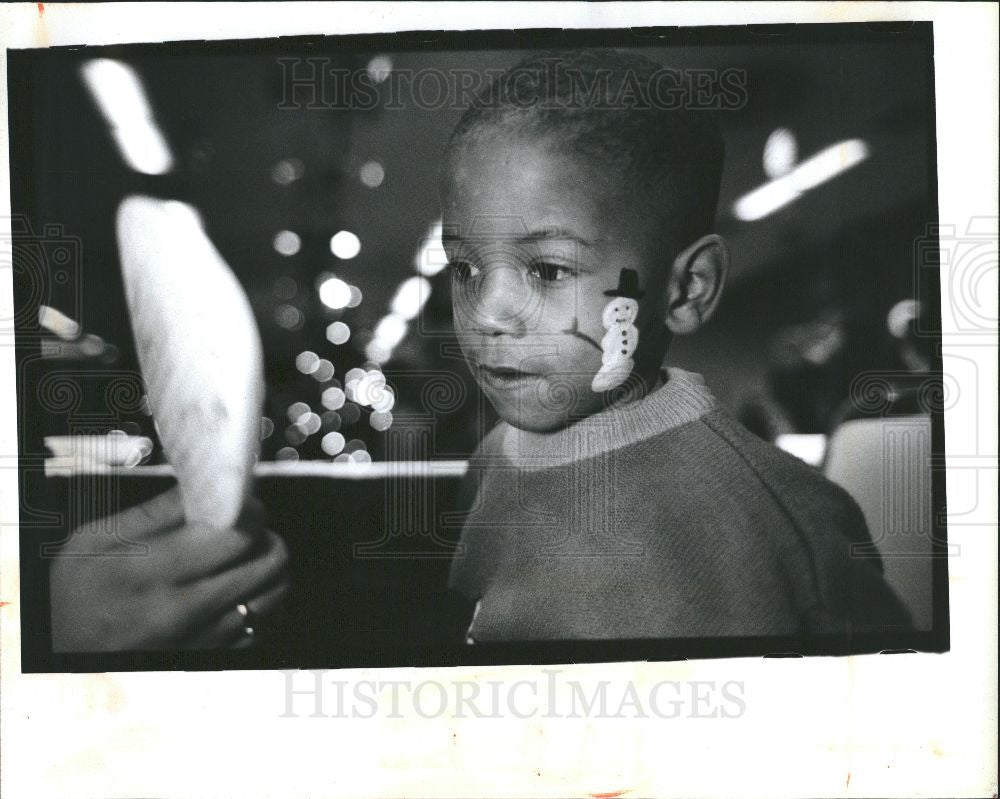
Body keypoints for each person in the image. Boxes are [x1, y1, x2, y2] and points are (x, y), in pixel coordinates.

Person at [49, 49, 910, 651]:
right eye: (464, 267)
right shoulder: (499, 453)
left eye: (546, 268)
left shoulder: (777, 527)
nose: (486, 313)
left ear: (683, 291)